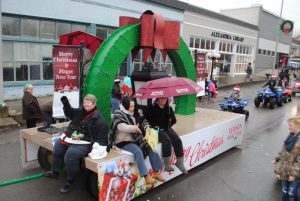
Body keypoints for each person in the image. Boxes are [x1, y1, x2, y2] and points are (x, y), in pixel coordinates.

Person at [44, 94, 108, 193]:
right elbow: (69, 112)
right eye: (85, 102)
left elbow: (102, 138)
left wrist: (98, 148)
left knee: (70, 155)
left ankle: (70, 181)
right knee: (57, 147)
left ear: (94, 104)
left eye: (89, 103)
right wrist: (65, 103)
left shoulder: (99, 119)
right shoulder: (80, 111)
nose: (86, 105)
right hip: (70, 137)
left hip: (85, 142)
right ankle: (55, 172)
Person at [111, 96, 165, 185]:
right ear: (125, 105)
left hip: (135, 139)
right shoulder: (118, 114)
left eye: (133, 106)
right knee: (138, 151)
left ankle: (156, 172)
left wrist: (147, 127)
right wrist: (135, 128)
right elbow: (121, 127)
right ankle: (146, 176)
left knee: (151, 146)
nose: (133, 108)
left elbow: (143, 121)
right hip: (123, 141)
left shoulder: (135, 113)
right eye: (131, 106)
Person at [145, 97, 188, 174]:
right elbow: (147, 119)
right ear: (157, 99)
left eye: (164, 99)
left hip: (167, 128)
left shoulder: (168, 108)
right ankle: (167, 164)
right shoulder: (152, 108)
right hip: (157, 130)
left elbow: (173, 121)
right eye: (160, 98)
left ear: (167, 99)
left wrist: (171, 118)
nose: (162, 100)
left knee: (177, 140)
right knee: (166, 140)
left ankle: (180, 163)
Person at [273, 117, 300, 201]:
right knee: (284, 192)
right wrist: (277, 158)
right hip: (284, 170)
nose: (288, 127)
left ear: (297, 125)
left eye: (290, 125)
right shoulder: (291, 135)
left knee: (291, 193)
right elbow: (283, 149)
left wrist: (293, 174)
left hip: (295, 173)